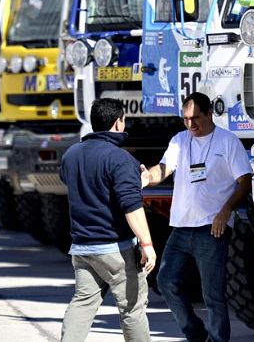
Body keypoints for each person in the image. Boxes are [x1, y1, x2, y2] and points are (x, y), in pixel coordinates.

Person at [141, 92, 252, 342]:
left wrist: (226, 210)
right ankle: (195, 333)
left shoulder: (227, 141)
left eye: (196, 118)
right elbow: (164, 168)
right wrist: (146, 177)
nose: (191, 124)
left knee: (212, 294)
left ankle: (217, 339)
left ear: (210, 113)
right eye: (186, 118)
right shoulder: (179, 140)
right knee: (166, 281)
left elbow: (245, 181)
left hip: (212, 229)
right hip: (181, 227)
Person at [59, 98, 156, 342]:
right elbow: (131, 206)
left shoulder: (71, 154)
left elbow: (88, 186)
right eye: (123, 120)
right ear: (117, 122)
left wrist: (136, 182)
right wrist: (147, 245)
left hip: (82, 248)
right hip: (116, 250)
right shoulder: (120, 159)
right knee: (132, 309)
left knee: (82, 304)